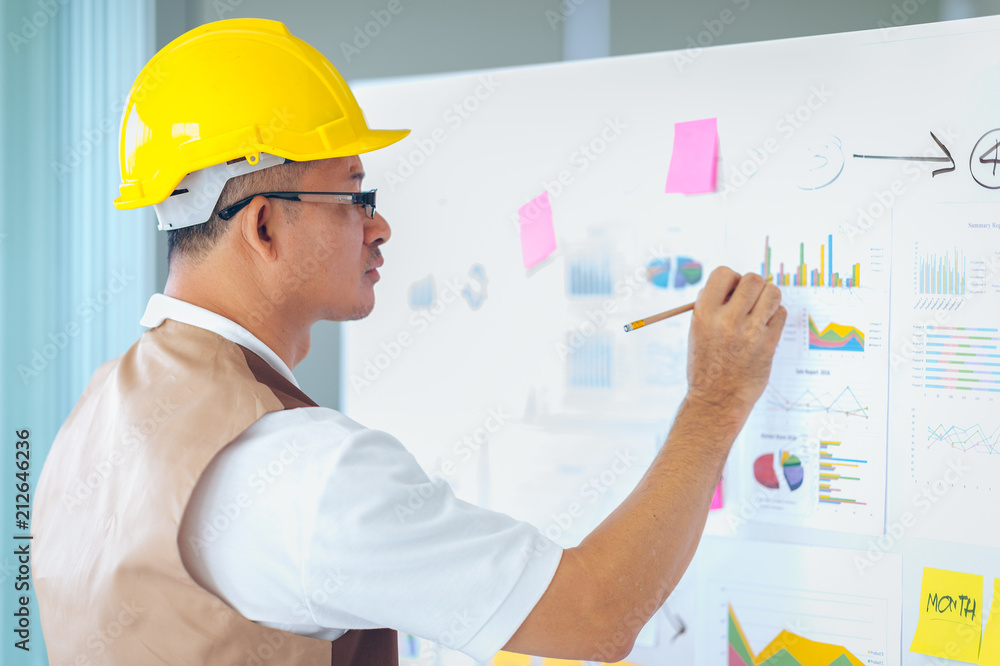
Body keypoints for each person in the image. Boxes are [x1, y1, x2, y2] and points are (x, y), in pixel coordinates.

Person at [32, 17, 786, 666]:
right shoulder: (304, 474)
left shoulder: (95, 415)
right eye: (353, 196)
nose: (379, 225)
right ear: (263, 225)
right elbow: (601, 612)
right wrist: (717, 398)